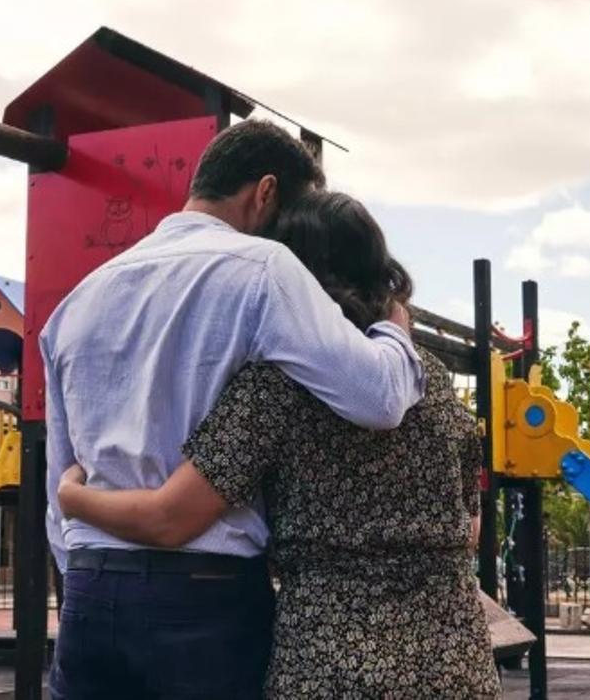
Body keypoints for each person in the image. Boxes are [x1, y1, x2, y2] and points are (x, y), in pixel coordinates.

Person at [58, 189, 501, 699]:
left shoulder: (277, 386)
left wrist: (73, 497)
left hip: (329, 664)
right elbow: (469, 529)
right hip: (455, 661)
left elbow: (170, 517)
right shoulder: (433, 379)